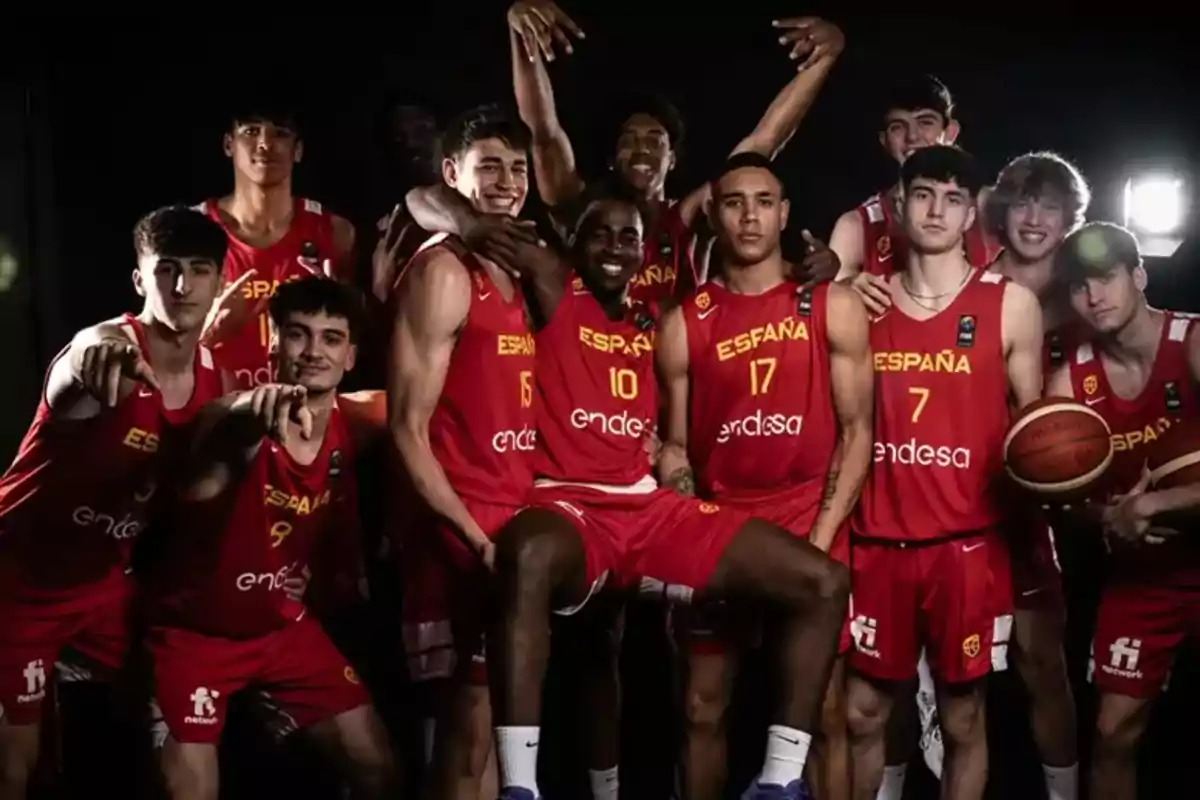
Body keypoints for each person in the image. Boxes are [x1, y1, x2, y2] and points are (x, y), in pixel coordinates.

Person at [469, 187, 849, 800]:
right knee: (527, 553)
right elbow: (437, 205)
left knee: (824, 581)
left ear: (648, 252)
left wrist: (830, 268)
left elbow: (736, 272)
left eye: (629, 238)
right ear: (573, 243)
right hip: (572, 505)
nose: (616, 247)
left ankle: (778, 782)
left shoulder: (661, 315)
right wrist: (464, 216)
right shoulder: (559, 290)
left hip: (647, 507)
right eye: (601, 234)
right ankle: (520, 787)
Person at [657, 153, 873, 800]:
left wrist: (820, 538)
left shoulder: (829, 304)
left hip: (810, 516)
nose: (749, 215)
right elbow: (673, 445)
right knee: (700, 710)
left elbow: (858, 432)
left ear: (784, 214)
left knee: (822, 716)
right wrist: (688, 513)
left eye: (763, 201)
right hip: (722, 525)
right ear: (714, 218)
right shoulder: (685, 320)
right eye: (733, 202)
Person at [0, 206, 227, 796]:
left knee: (173, 701)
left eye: (198, 271)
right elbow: (83, 359)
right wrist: (98, 353)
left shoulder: (214, 381)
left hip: (104, 588)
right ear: (139, 280)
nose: (181, 287)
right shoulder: (107, 351)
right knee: (12, 762)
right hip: (20, 579)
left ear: (219, 283)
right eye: (166, 270)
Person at [406, 1, 845, 305]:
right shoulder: (582, 207)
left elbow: (761, 145)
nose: (642, 148)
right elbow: (542, 131)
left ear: (672, 160)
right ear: (612, 156)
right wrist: (521, 34)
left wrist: (825, 59)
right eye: (630, 139)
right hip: (591, 390)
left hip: (669, 393)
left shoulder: (689, 219)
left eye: (656, 140)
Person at [146, 277, 396, 799]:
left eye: (331, 338)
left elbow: (442, 401)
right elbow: (213, 448)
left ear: (350, 356)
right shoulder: (233, 416)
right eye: (299, 334)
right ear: (274, 343)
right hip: (194, 637)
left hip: (282, 630)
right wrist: (250, 416)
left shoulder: (361, 419)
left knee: (378, 769)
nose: (313, 351)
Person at [843, 146, 1042, 800]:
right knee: (862, 714)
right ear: (898, 207)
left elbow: (1035, 437)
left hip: (968, 546)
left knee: (962, 718)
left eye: (952, 198)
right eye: (923, 194)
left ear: (969, 214)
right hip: (878, 542)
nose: (935, 209)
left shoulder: (1010, 305)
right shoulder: (858, 305)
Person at [388, 103, 537, 800]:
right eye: (489, 167)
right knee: (463, 727)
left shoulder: (517, 267)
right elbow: (407, 432)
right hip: (459, 530)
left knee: (491, 726)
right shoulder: (445, 272)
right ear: (453, 176)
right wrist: (472, 538)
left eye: (517, 167)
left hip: (509, 520)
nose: (507, 181)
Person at [1045, 222, 1200, 800]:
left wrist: (1158, 502)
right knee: (1111, 732)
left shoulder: (1192, 342)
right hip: (1144, 580)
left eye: (1106, 277)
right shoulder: (1070, 384)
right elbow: (1056, 500)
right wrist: (1107, 519)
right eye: (1080, 285)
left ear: (1139, 276)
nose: (1094, 296)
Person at [983, 152, 1093, 800]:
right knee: (942, 672)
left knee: (1042, 661)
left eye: (1048, 204)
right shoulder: (974, 280)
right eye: (1022, 202)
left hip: (1046, 495)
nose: (1032, 217)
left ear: (1069, 218)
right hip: (962, 482)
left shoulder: (1088, 293)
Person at [199, 101, 357, 389]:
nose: (264, 144)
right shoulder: (195, 229)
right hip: (218, 412)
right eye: (251, 131)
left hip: (304, 413)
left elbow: (350, 338)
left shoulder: (334, 232)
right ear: (228, 144)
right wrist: (209, 336)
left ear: (298, 150)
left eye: (280, 133)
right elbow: (160, 343)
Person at [832, 75, 1001, 318]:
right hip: (894, 349)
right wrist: (846, 290)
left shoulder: (989, 206)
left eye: (925, 122)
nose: (912, 136)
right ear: (884, 140)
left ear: (950, 131)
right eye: (897, 126)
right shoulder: (857, 224)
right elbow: (830, 306)